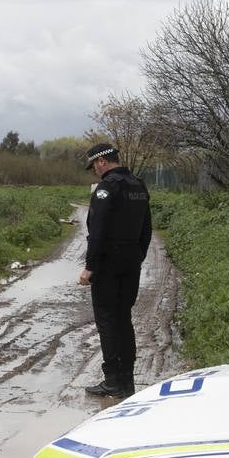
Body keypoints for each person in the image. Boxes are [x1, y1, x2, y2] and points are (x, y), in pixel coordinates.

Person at [78, 142, 151, 397]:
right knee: (123, 318)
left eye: (95, 166)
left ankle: (112, 380)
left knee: (107, 321)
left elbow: (97, 232)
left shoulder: (106, 188)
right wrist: (137, 256)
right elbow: (146, 229)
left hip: (108, 263)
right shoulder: (138, 186)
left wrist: (89, 267)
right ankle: (127, 379)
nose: (95, 171)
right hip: (131, 261)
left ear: (102, 162)